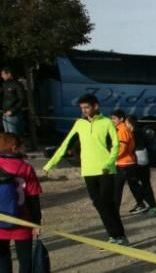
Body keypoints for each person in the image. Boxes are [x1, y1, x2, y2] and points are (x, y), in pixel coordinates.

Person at [43, 94, 128, 245]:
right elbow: (65, 143)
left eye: (87, 107)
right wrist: (51, 164)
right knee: (98, 203)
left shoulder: (107, 122)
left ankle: (118, 236)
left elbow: (116, 145)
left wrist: (109, 164)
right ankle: (116, 235)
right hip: (88, 170)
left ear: (96, 106)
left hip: (106, 170)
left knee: (107, 203)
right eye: (82, 108)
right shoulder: (79, 123)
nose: (84, 110)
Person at [0, 133, 41, 273]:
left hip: (1, 219)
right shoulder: (26, 168)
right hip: (22, 219)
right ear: (14, 148)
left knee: (2, 255)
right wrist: (36, 222)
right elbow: (33, 197)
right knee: (25, 257)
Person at [110, 109, 144, 212]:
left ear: (121, 119)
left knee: (117, 188)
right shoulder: (123, 129)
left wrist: (111, 158)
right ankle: (141, 204)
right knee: (133, 185)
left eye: (114, 118)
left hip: (124, 164)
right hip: (128, 163)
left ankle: (114, 211)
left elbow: (122, 148)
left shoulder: (122, 130)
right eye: (111, 118)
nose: (112, 120)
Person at [125, 116, 156, 215]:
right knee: (145, 183)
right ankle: (147, 204)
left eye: (126, 123)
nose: (125, 125)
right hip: (145, 158)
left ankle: (149, 205)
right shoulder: (141, 131)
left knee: (134, 183)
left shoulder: (133, 133)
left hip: (138, 159)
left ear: (130, 124)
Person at [0, 67, 28, 136]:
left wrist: (12, 110)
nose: (2, 76)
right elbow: (2, 97)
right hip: (4, 113)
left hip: (14, 115)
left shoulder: (17, 84)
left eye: (3, 74)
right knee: (7, 136)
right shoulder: (4, 84)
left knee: (14, 136)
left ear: (9, 74)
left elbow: (22, 99)